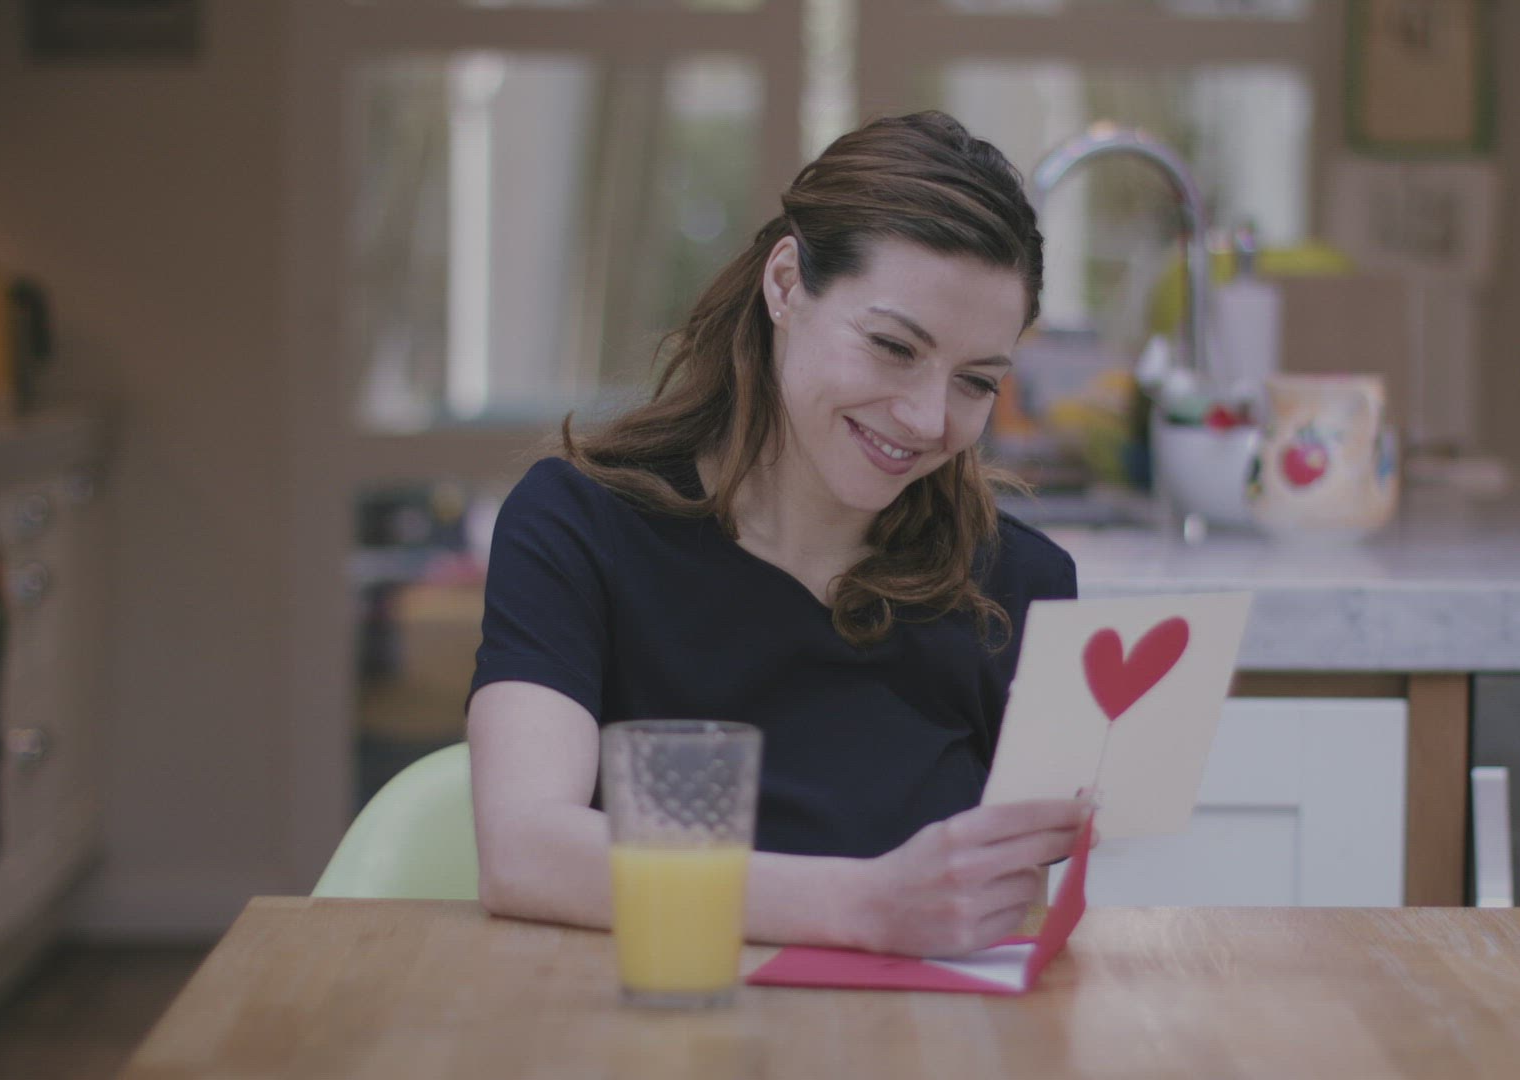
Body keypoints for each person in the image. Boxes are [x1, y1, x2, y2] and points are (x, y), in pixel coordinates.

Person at [466, 111, 1088, 959]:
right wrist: (866, 905)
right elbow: (524, 852)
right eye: (893, 346)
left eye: (976, 382)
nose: (926, 418)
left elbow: (1011, 922)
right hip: (651, 1017)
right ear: (787, 285)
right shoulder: (576, 528)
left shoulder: (1020, 586)